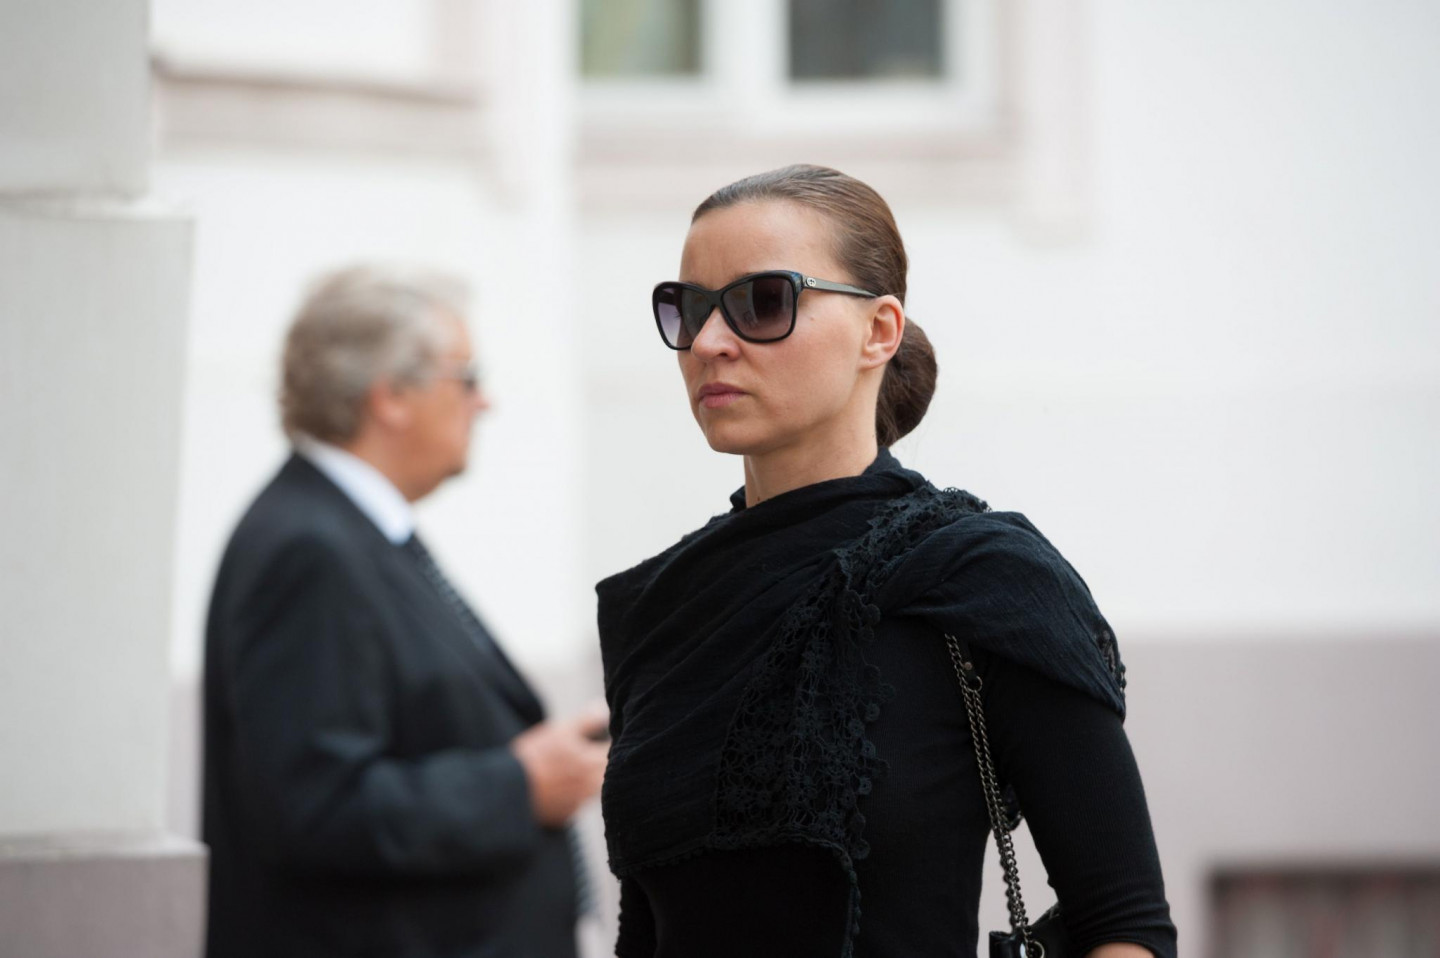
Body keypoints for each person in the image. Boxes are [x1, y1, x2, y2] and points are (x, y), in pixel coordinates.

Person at [596, 165, 1177, 958]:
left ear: (879, 330)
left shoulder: (979, 578)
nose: (707, 343)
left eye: (761, 302)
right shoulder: (665, 605)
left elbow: (1125, 925)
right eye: (689, 308)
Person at [202, 266, 607, 958]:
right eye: (466, 377)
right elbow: (315, 808)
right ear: (390, 396)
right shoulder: (310, 548)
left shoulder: (352, 531)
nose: (484, 402)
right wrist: (519, 785)